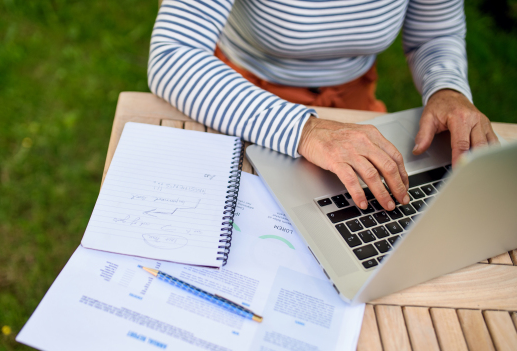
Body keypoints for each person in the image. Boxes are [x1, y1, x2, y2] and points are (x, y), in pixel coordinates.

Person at [147, 0, 499, 212]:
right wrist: (306, 129)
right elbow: (172, 55)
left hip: (354, 107)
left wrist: (447, 88)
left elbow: (434, 34)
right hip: (237, 99)